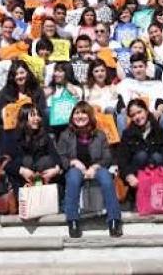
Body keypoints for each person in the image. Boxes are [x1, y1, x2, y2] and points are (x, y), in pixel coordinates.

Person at [56, 101, 123, 238]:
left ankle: (114, 220)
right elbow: (61, 157)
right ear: (72, 116)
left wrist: (95, 166)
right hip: (75, 168)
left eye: (83, 113)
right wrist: (73, 162)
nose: (79, 116)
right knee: (73, 178)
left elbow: (107, 157)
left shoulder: (100, 135)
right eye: (77, 113)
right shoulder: (65, 135)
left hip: (96, 167)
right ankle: (73, 220)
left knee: (106, 178)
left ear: (90, 116)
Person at [116, 97, 163, 195]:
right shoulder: (127, 134)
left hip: (156, 177)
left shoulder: (159, 131)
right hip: (136, 178)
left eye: (139, 112)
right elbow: (122, 159)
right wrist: (128, 175)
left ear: (146, 111)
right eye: (133, 115)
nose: (137, 117)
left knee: (157, 156)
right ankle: (136, 196)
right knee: (141, 156)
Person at [116, 54, 163, 150]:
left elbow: (162, 101)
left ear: (146, 67)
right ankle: (125, 153)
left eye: (140, 66)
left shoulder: (156, 84)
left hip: (152, 117)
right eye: (135, 67)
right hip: (132, 117)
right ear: (131, 69)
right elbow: (121, 104)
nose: (138, 70)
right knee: (120, 117)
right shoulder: (125, 83)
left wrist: (159, 112)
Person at [0, 103, 63, 192]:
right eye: (33, 115)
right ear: (24, 118)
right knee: (27, 160)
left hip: (43, 179)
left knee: (46, 160)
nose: (37, 118)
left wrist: (56, 169)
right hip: (21, 181)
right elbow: (4, 163)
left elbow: (55, 156)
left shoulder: (44, 136)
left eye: (38, 115)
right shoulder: (11, 136)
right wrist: (21, 170)